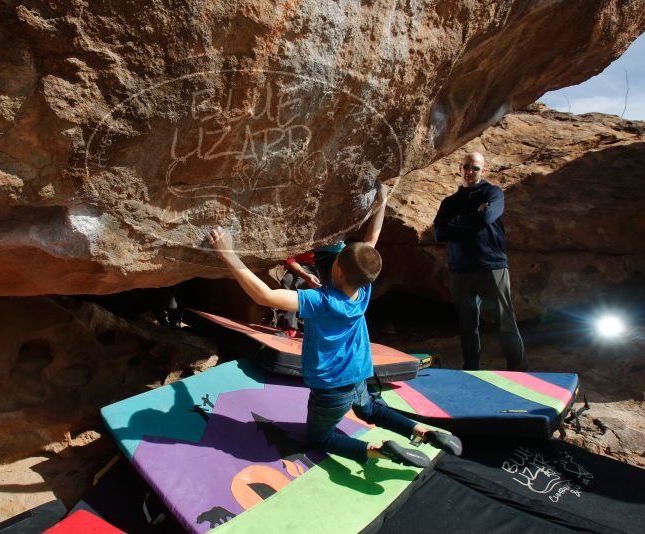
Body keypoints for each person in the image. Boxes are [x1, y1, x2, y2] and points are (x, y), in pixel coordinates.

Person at [207, 185, 462, 467]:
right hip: (358, 377)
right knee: (371, 410)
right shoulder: (363, 292)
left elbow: (264, 296)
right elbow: (371, 241)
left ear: (337, 269)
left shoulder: (321, 301)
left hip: (330, 390)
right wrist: (382, 201)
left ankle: (379, 450)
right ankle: (424, 431)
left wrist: (227, 252)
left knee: (321, 438)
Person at [434, 152, 528, 371]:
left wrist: (455, 223)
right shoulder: (450, 202)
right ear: (460, 168)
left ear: (482, 171)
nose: (470, 171)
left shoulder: (493, 193)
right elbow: (439, 234)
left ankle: (519, 370)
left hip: (491, 266)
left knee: (506, 322)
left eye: (475, 168)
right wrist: (469, 220)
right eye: (466, 167)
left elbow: (486, 218)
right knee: (467, 326)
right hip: (460, 270)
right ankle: (471, 369)